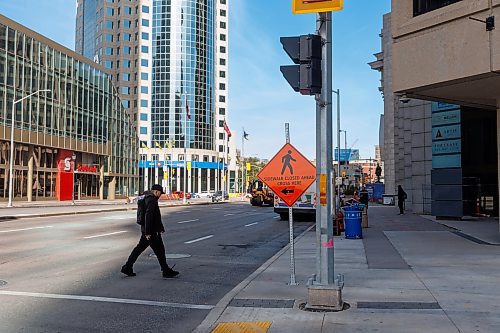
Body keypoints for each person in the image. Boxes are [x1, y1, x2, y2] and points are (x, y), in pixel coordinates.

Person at [121, 184, 179, 278]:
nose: (160, 195)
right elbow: (149, 215)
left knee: (140, 249)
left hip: (149, 230)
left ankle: (127, 266)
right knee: (159, 250)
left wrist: (159, 228)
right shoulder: (152, 200)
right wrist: (148, 232)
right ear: (156, 191)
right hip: (152, 232)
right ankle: (165, 270)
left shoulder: (146, 198)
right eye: (160, 193)